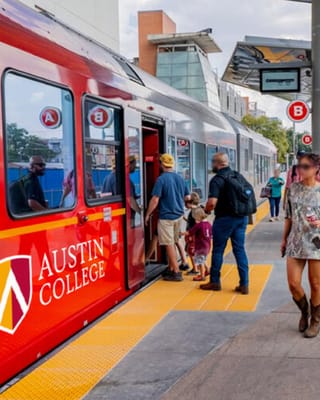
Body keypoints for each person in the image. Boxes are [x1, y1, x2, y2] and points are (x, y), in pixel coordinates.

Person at [281, 153, 320, 338]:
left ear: (316, 169)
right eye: (299, 166)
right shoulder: (293, 189)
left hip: (316, 243)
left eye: (306, 166)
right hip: (295, 241)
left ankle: (315, 320)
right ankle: (304, 312)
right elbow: (288, 216)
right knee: (293, 284)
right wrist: (284, 239)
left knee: (316, 284)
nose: (301, 170)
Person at [200, 152, 250, 294]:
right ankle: (244, 284)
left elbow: (212, 202)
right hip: (241, 218)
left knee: (218, 250)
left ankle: (215, 282)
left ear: (218, 163)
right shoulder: (237, 176)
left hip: (224, 220)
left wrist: (207, 210)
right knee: (239, 250)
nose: (212, 165)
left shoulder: (217, 180)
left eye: (213, 162)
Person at [145, 153, 190, 282]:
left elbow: (155, 200)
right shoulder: (180, 178)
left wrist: (147, 214)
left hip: (167, 217)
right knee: (174, 240)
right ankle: (171, 267)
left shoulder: (161, 179)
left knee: (168, 243)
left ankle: (175, 271)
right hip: (178, 216)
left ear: (161, 164)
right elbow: (187, 198)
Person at [182, 207, 211, 281]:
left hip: (200, 246)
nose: (195, 220)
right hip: (207, 246)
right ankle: (207, 270)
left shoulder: (199, 225)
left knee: (200, 261)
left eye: (195, 218)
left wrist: (181, 233)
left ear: (199, 216)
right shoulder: (208, 224)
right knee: (202, 259)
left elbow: (189, 232)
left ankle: (202, 276)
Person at [184, 192, 201, 275]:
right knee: (190, 251)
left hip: (193, 236)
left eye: (185, 202)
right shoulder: (196, 210)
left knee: (191, 251)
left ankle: (195, 269)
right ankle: (197, 268)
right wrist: (184, 219)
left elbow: (196, 224)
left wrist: (191, 234)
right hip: (193, 235)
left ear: (190, 203)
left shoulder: (194, 212)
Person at [129, 155, 141, 227]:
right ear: (129, 164)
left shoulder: (107, 179)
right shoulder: (126, 182)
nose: (135, 167)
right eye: (134, 164)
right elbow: (130, 200)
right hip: (128, 218)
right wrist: (140, 212)